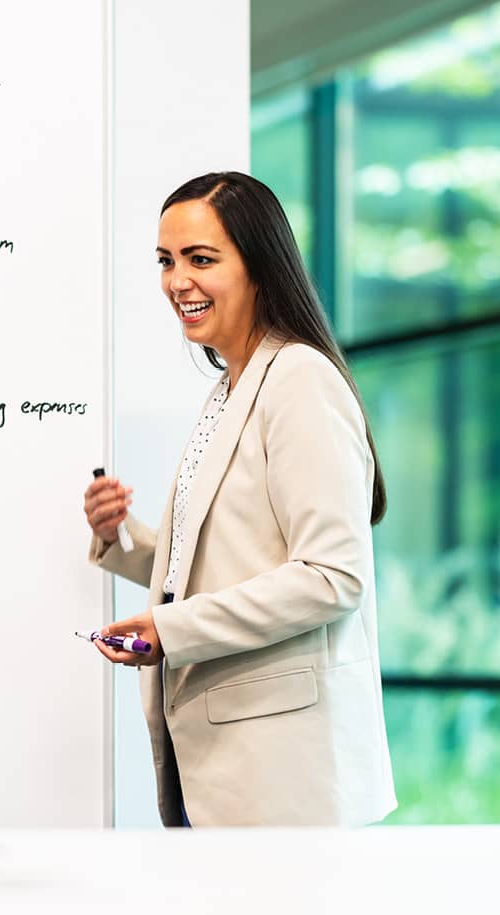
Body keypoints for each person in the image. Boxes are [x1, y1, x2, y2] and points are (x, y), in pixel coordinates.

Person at [82, 171, 396, 827]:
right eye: (167, 261)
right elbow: (221, 560)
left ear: (259, 266)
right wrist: (122, 536)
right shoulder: (232, 386)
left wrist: (169, 630)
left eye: (201, 260)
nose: (177, 282)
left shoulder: (299, 379)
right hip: (222, 766)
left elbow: (333, 577)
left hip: (283, 774)